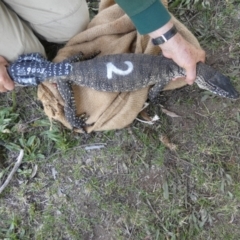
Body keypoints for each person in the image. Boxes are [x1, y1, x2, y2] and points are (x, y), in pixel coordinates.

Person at [0, 0, 205, 93]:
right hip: (71, 71)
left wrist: (170, 40)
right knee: (21, 55)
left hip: (72, 69)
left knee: (72, 23)